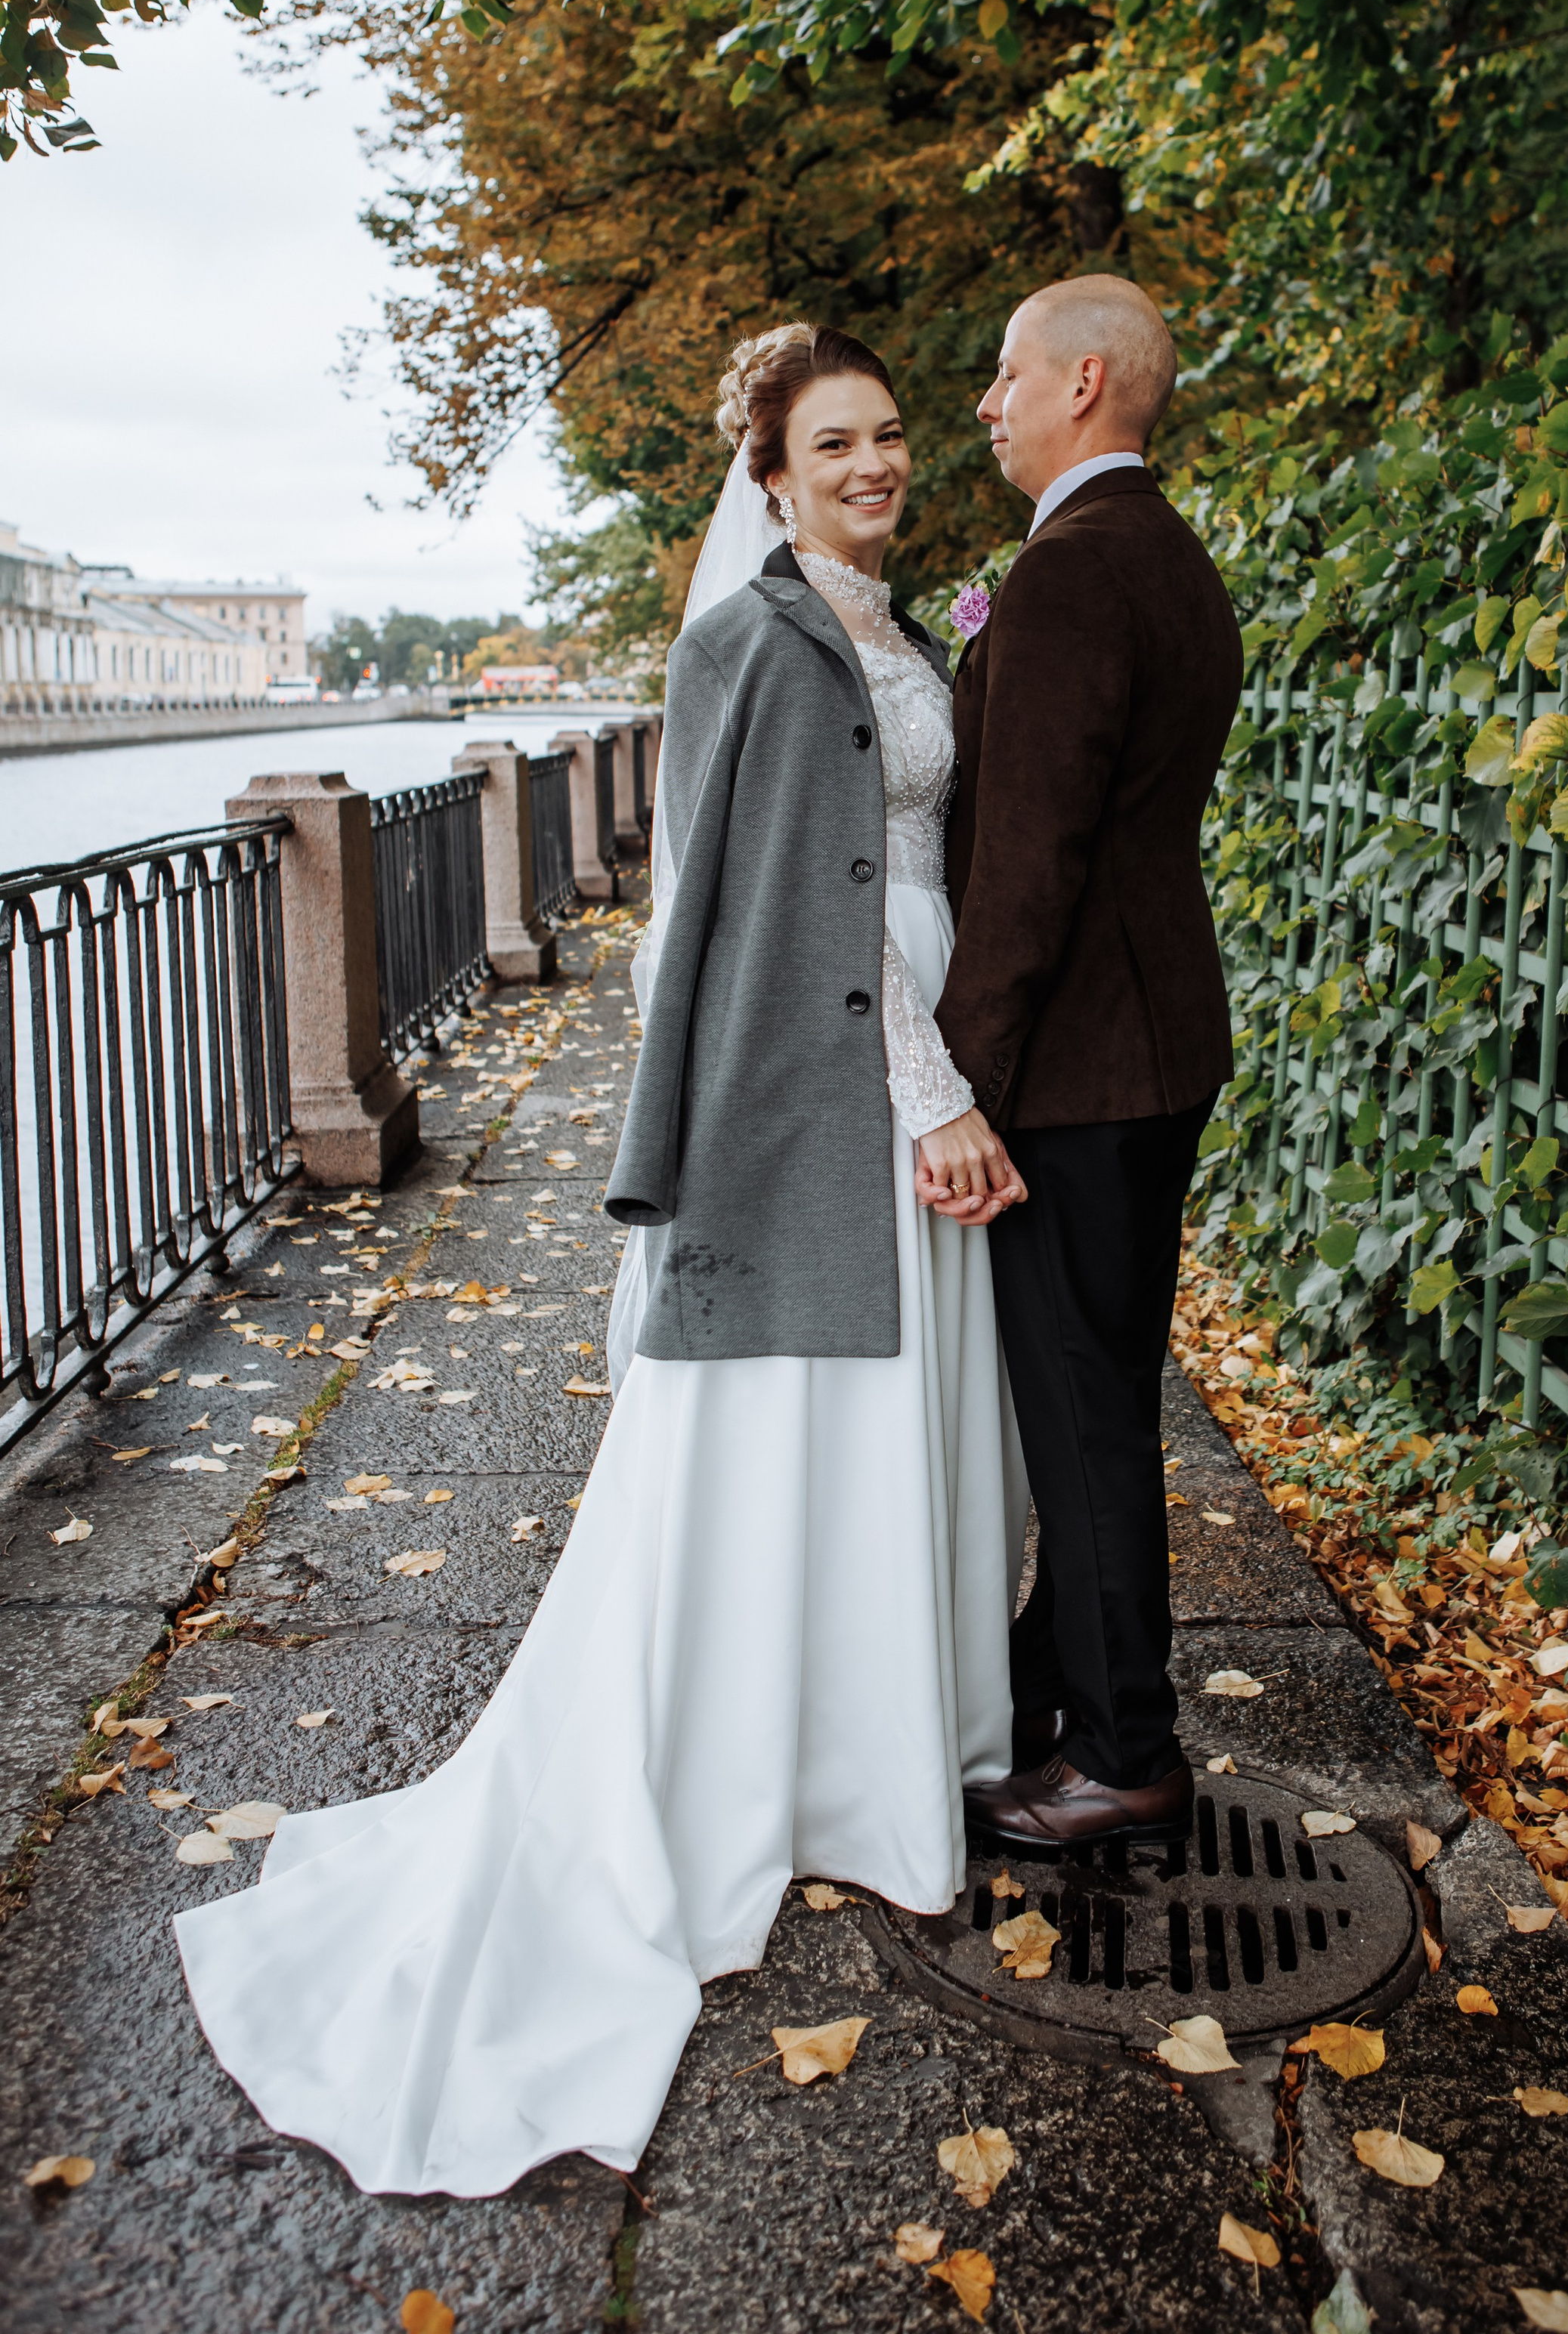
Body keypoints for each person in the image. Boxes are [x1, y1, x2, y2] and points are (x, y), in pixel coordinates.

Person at [174, 321, 1030, 2198]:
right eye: (835, 444)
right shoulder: (749, 642)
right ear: (772, 472)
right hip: (838, 1114)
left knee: (882, 1432)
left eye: (891, 437)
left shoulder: (902, 636)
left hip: (902, 1094)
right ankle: (779, 1772)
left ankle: (869, 1749)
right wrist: (931, 1098)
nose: (875, 465)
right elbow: (790, 916)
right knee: (801, 1431)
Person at [930, 275, 1245, 1852]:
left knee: (1085, 1411)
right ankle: (1059, 1681)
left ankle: (1124, 1751)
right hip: (1154, 1040)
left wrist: (955, 1077)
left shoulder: (1069, 571)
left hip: (1079, 1069)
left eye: (1004, 374)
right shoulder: (1167, 557)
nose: (984, 402)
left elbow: (1028, 860)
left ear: (1085, 382)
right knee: (1096, 1387)